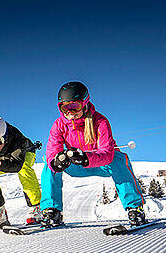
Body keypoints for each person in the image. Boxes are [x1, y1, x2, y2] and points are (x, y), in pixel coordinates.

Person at [40, 82, 146, 228]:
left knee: (120, 159)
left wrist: (85, 158)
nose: (70, 112)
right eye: (65, 108)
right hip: (76, 166)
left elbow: (107, 154)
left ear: (84, 104)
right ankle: (52, 211)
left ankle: (135, 209)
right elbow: (52, 150)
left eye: (74, 107)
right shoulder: (58, 125)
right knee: (49, 165)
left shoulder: (100, 121)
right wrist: (56, 161)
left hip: (101, 165)